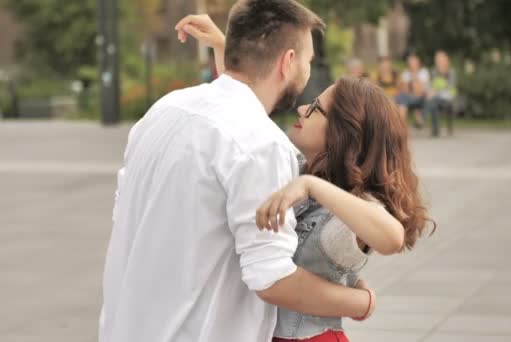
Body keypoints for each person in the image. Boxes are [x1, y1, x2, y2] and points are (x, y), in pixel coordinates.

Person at [99, 2, 374, 342]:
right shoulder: (260, 144)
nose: (307, 72)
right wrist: (361, 301)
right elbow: (272, 278)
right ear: (288, 61)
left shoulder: (164, 110)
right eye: (308, 60)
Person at [181, 13, 435, 342]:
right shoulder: (298, 166)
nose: (302, 109)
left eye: (316, 109)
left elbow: (391, 237)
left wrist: (312, 186)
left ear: (344, 134)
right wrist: (223, 46)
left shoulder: (345, 206)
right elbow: (248, 110)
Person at [424, 50, 457, 137]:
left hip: (448, 98)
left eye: (441, 60)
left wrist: (435, 92)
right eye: (437, 60)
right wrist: (429, 92)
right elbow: (428, 85)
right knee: (433, 101)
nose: (439, 62)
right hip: (436, 98)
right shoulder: (433, 72)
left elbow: (449, 87)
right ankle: (435, 130)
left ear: (446, 61)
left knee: (433, 100)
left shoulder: (451, 72)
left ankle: (423, 117)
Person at [395, 54, 430, 127]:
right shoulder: (406, 73)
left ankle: (402, 125)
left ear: (418, 63)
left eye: (414, 62)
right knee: (402, 100)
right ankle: (402, 125)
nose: (412, 65)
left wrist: (413, 77)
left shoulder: (424, 72)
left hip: (421, 98)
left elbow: (419, 90)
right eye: (410, 63)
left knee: (402, 100)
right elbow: (405, 89)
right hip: (408, 97)